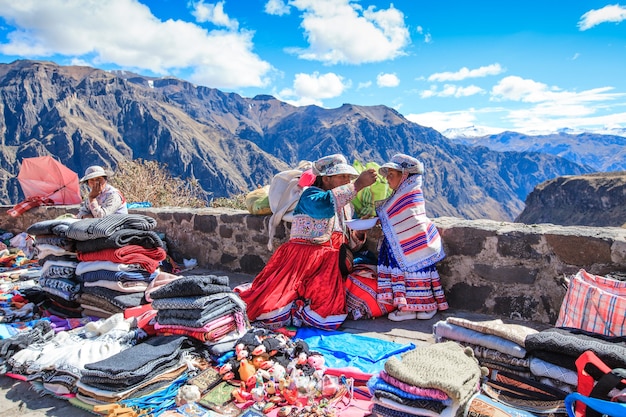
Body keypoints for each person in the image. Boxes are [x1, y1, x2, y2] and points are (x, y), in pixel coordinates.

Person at [235, 154, 377, 330]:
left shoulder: (346, 205)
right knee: (278, 303)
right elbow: (324, 206)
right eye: (342, 177)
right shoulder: (310, 197)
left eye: (349, 177)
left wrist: (359, 233)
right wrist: (357, 185)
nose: (347, 180)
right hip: (304, 261)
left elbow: (346, 240)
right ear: (326, 179)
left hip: (329, 264)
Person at [375, 153, 448, 321]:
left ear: (405, 176)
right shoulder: (404, 194)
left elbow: (402, 216)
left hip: (412, 243)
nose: (387, 179)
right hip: (410, 243)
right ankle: (413, 308)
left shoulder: (408, 195)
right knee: (414, 275)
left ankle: (419, 307)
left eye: (392, 175)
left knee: (414, 275)